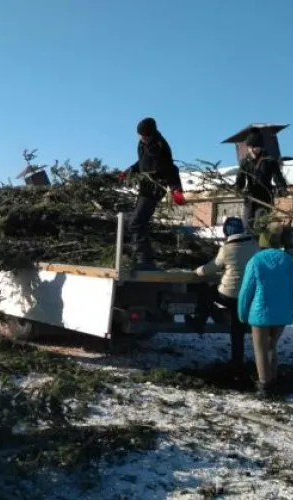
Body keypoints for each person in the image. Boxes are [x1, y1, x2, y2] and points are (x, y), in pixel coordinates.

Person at [237, 224, 293, 398]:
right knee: (272, 346)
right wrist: (292, 310)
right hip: (282, 313)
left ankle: (264, 386)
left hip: (260, 313)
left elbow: (246, 291)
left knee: (260, 349)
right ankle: (274, 379)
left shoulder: (256, 260)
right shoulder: (288, 261)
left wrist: (242, 313)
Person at [195, 217, 259, 385]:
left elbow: (211, 268)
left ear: (226, 232)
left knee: (207, 292)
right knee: (237, 330)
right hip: (247, 296)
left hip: (228, 295)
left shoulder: (227, 249)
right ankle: (237, 362)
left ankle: (200, 320)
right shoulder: (255, 246)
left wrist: (197, 271)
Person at [116, 117, 186, 270]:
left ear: (151, 133)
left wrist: (176, 189)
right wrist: (130, 170)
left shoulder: (160, 146)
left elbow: (171, 169)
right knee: (138, 222)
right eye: (140, 135)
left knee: (136, 222)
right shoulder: (142, 143)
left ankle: (145, 260)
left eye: (145, 135)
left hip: (155, 187)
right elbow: (142, 162)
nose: (142, 138)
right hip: (145, 186)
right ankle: (139, 256)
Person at [234, 129, 289, 235]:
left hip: (265, 199)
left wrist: (282, 188)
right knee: (247, 226)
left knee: (261, 227)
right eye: (250, 147)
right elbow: (240, 178)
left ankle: (260, 247)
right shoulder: (245, 162)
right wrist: (238, 188)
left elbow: (278, 177)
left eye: (255, 147)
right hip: (250, 198)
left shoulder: (269, 160)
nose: (253, 150)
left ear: (260, 147)